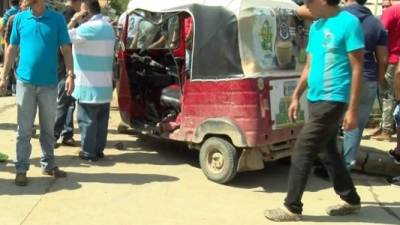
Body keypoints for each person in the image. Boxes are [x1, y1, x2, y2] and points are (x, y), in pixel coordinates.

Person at [264, 0, 364, 222]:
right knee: (327, 152)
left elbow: (358, 68)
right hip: (314, 98)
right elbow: (309, 67)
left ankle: (292, 207)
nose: (305, 5)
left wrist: (353, 110)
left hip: (334, 98)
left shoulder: (349, 23)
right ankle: (351, 199)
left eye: (309, 1)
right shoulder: (317, 26)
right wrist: (295, 96)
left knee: (303, 148)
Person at [0, 0, 74, 186]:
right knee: (24, 130)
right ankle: (21, 168)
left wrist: (71, 74)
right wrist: (4, 76)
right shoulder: (19, 19)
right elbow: (12, 48)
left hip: (49, 84)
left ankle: (48, 164)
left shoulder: (57, 19)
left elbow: (66, 49)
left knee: (48, 129)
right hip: (25, 83)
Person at [341, 0, 388, 170]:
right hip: (368, 78)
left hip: (342, 78)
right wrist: (377, 79)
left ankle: (330, 165)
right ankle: (347, 165)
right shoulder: (376, 23)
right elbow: (383, 59)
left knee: (331, 123)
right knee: (356, 125)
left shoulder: (339, 17)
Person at [68, 0, 115, 161]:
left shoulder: (87, 29)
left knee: (87, 121)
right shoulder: (108, 27)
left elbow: (64, 36)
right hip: (105, 85)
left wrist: (74, 20)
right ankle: (98, 150)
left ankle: (88, 152)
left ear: (86, 11)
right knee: (101, 122)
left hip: (88, 86)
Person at [54, 0, 81, 147]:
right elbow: (66, 38)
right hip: (66, 62)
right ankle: (59, 133)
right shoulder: (70, 14)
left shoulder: (62, 13)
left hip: (63, 61)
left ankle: (65, 133)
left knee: (67, 99)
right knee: (66, 99)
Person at [371, 0, 400, 141]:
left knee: (387, 94)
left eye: (385, 5)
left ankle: (387, 129)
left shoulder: (392, 12)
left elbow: (379, 33)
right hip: (397, 59)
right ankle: (387, 126)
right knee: (394, 95)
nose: (383, 8)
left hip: (391, 59)